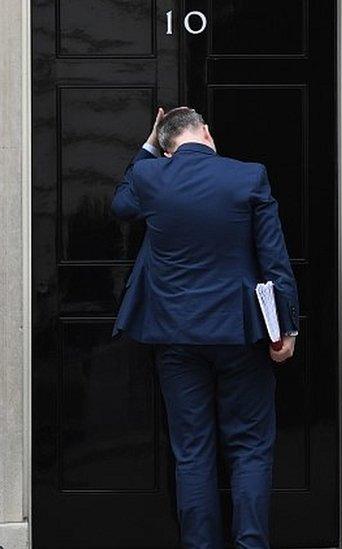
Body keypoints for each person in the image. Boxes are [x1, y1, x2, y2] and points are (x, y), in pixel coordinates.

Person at [111, 106, 300, 548]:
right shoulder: (248, 176)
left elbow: (120, 204)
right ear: (208, 134)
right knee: (250, 448)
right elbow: (274, 259)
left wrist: (147, 146)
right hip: (240, 333)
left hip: (175, 334)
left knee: (192, 453)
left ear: (165, 143)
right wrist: (285, 326)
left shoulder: (149, 176)